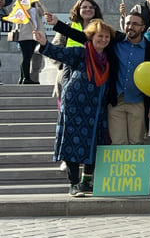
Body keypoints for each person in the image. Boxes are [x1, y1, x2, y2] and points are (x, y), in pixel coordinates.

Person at [33, 21, 116, 197]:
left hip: (97, 107)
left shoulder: (109, 57)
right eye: (99, 36)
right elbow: (59, 53)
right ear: (91, 37)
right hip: (75, 105)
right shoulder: (82, 53)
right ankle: (73, 183)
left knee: (95, 143)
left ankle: (86, 182)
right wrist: (44, 43)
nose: (103, 39)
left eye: (106, 36)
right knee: (73, 142)